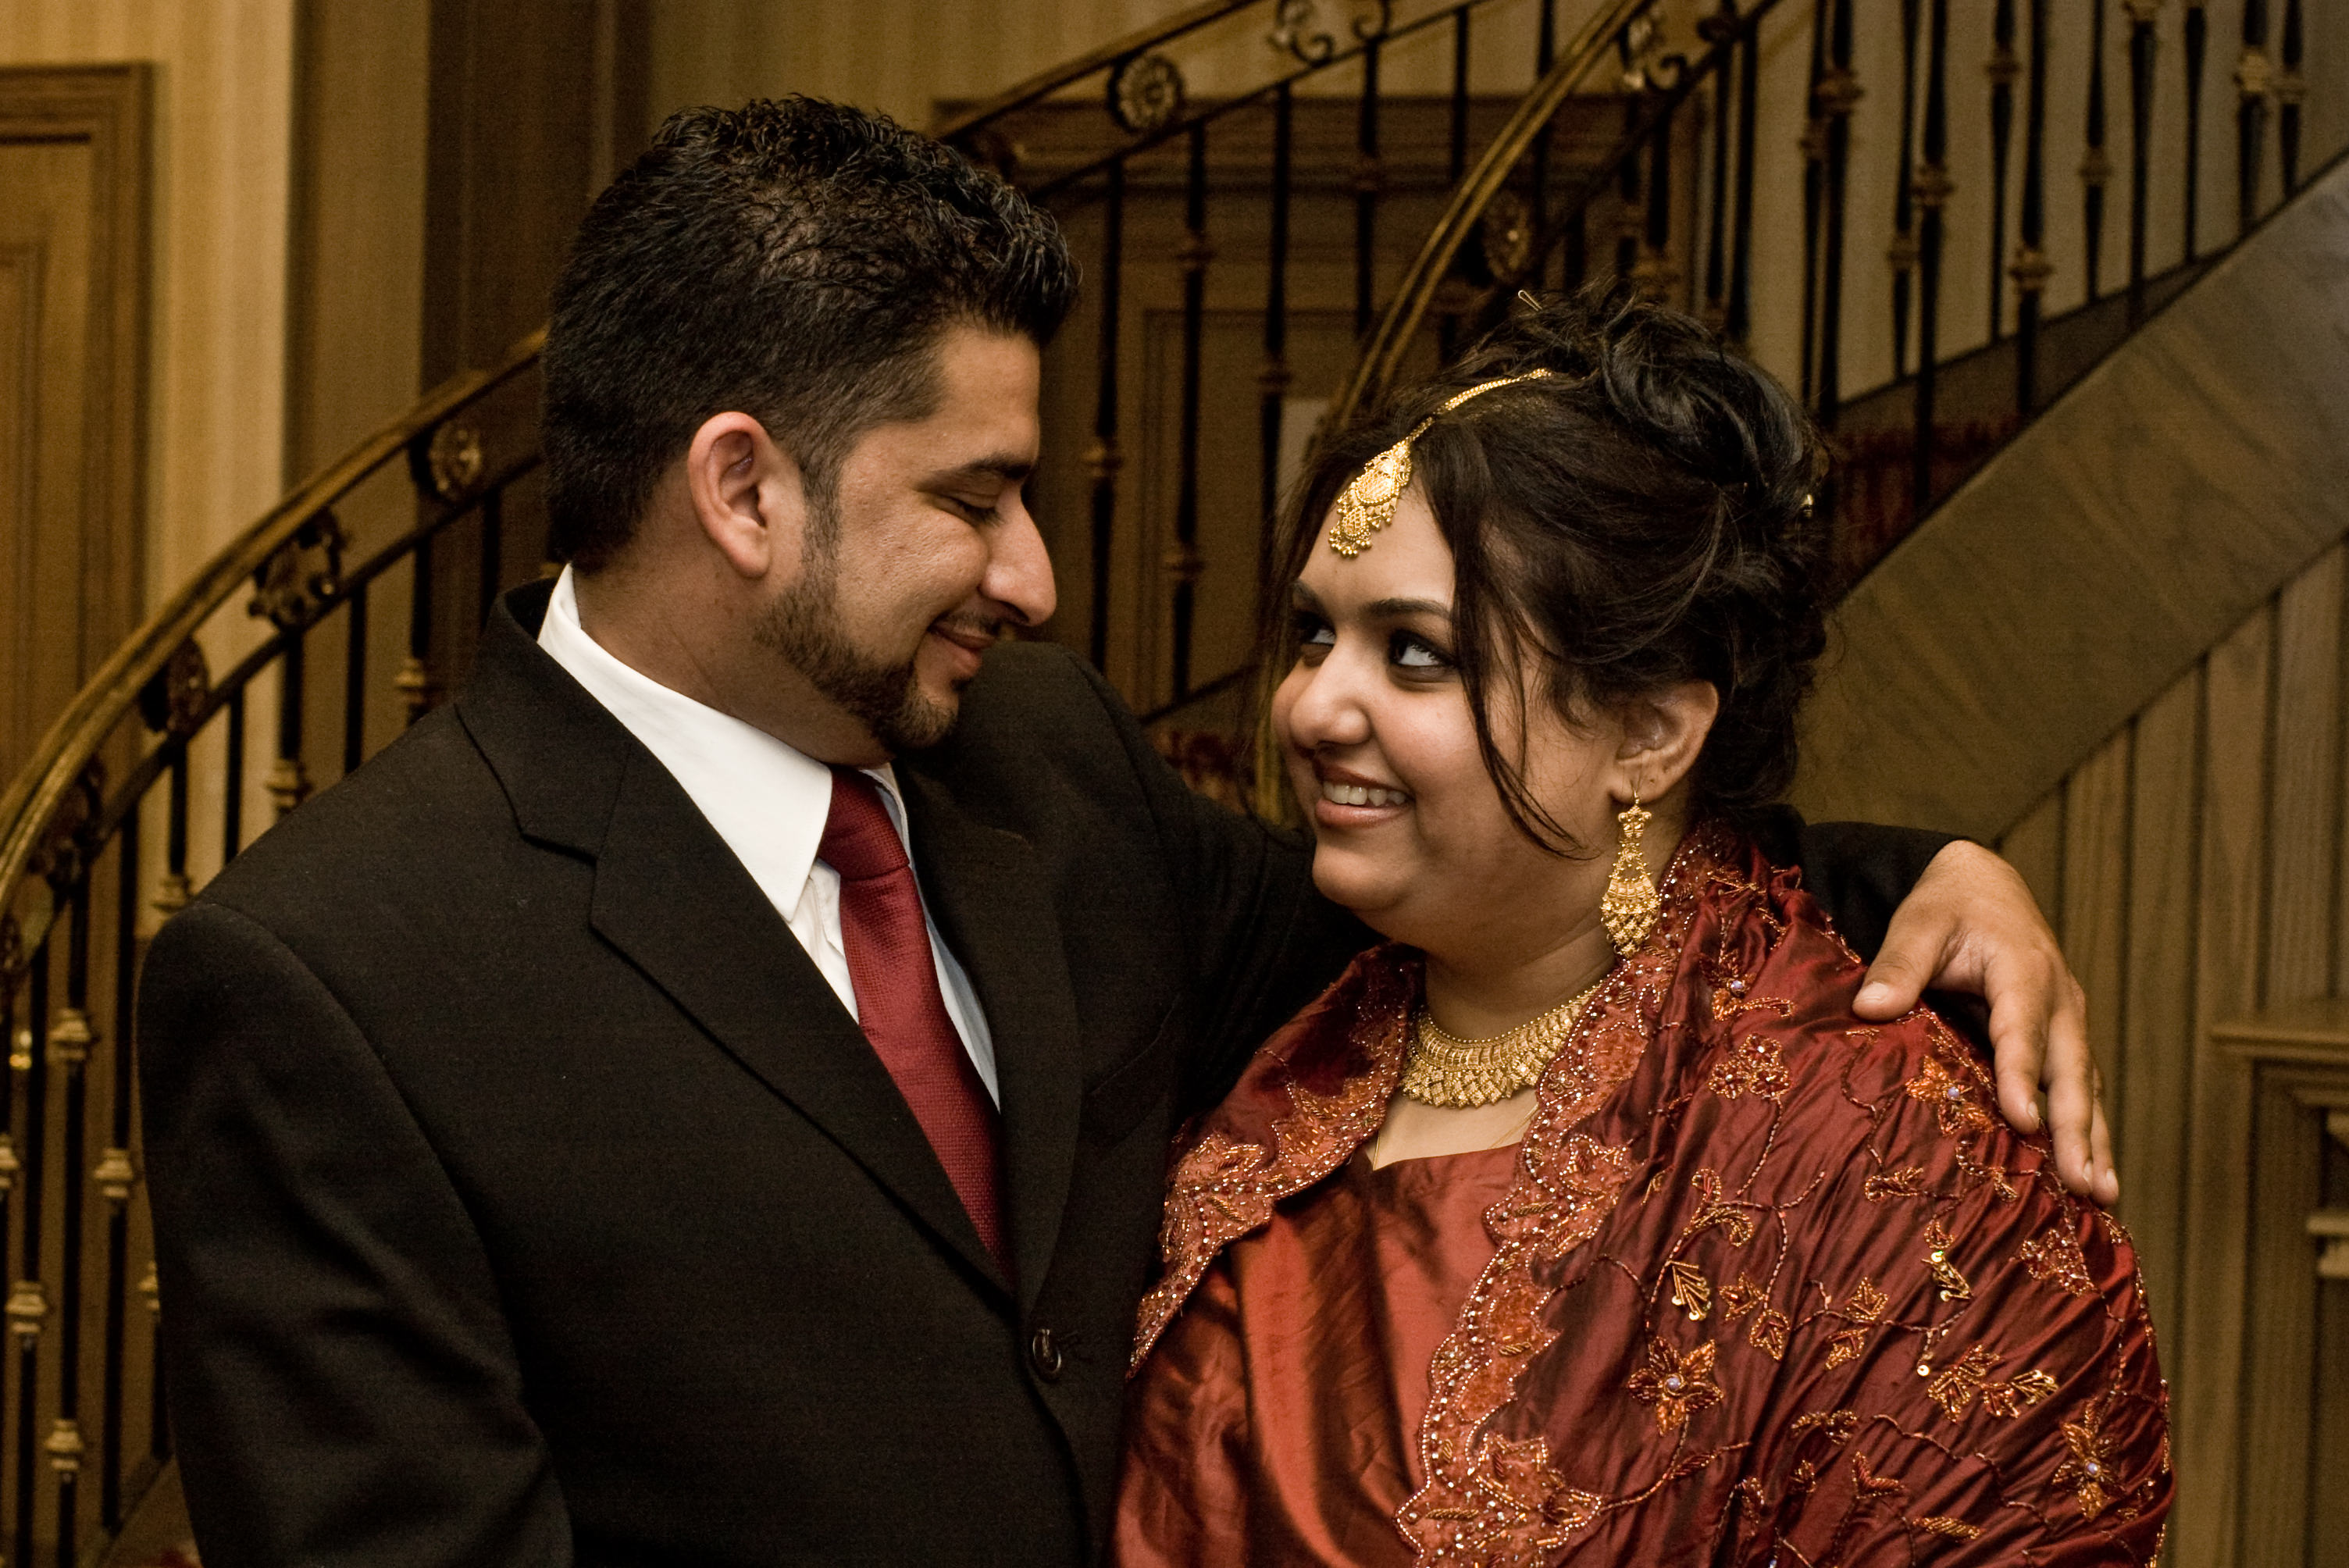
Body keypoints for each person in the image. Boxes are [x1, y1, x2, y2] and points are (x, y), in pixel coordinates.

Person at [138, 101, 2108, 1566]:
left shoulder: (1039, 764)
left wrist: (1916, 878)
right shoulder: (341, 976)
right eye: (974, 497)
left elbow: (1483, 915)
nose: (1037, 577)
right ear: (744, 491)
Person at [1113, 290, 2169, 1566]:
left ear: (1649, 736)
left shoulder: (1882, 1160)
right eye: (1314, 636)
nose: (1312, 707)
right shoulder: (1270, 1018)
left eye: (1416, 654)